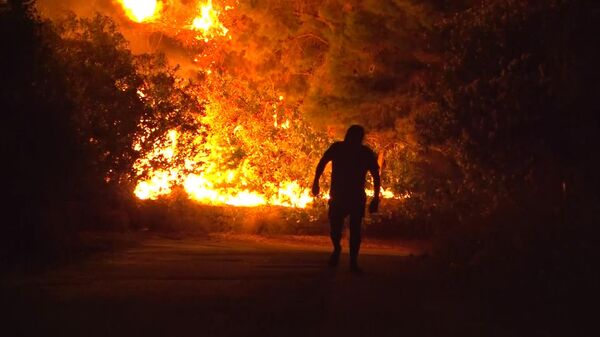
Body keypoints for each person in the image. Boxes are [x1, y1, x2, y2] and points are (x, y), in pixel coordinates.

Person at [312, 125, 380, 273]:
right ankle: (337, 249)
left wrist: (376, 197)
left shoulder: (365, 153)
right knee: (336, 228)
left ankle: (353, 262)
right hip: (340, 195)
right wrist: (315, 181)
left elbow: (375, 175)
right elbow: (322, 162)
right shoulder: (338, 148)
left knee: (355, 229)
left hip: (353, 196)